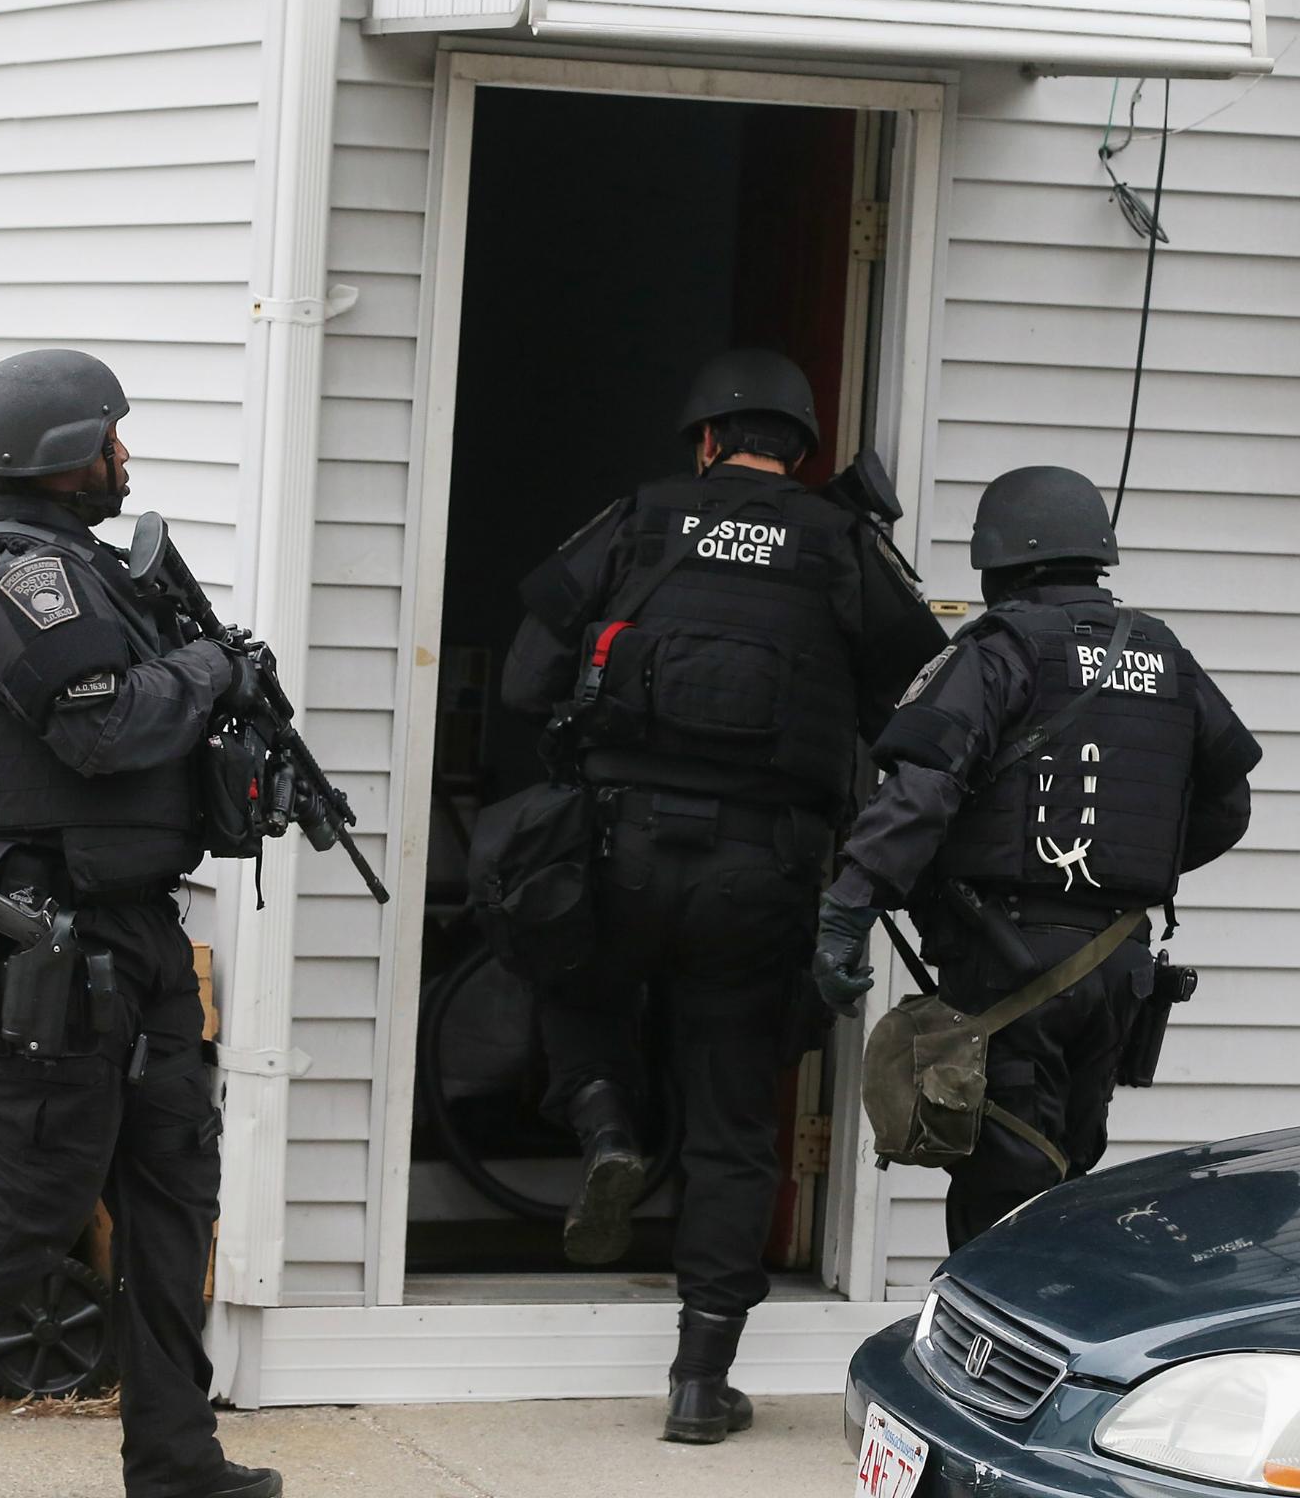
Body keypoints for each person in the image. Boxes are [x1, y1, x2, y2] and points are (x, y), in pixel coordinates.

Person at [0, 350, 279, 1498]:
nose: (126, 455)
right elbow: (104, 730)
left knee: (173, 1192)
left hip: (131, 931)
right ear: (70, 455)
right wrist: (209, 672)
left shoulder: (89, 569)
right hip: (50, 937)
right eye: (112, 437)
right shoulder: (19, 584)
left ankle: (176, 1460)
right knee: (29, 1195)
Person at [500, 347, 947, 1443]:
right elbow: (918, 715)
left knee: (560, 963)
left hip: (621, 848)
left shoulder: (641, 517)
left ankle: (603, 1118)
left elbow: (521, 683)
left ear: (702, 441)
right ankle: (700, 1381)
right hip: (764, 870)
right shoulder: (844, 546)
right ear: (798, 450)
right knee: (735, 1115)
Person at [813, 464, 1260, 1248]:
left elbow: (922, 787)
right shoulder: (1164, 653)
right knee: (1068, 1168)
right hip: (1120, 961)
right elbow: (1228, 804)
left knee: (1004, 1186)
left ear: (999, 564)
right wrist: (1121, 867)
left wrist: (850, 902)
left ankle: (987, 1361)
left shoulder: (998, 651)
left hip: (1009, 955)